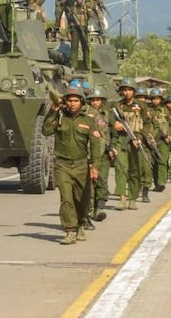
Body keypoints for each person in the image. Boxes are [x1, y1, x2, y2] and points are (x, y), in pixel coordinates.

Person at [42, 87, 101, 245]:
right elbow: (46, 130)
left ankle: (81, 222)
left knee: (82, 199)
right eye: (70, 100)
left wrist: (95, 166)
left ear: (81, 102)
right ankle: (70, 230)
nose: (73, 103)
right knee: (66, 198)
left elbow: (96, 146)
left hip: (82, 165)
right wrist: (53, 111)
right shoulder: (60, 117)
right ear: (65, 102)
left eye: (76, 101)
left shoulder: (89, 120)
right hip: (62, 164)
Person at [111, 79, 152, 210]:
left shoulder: (142, 106)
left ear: (134, 91)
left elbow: (147, 124)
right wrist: (114, 124)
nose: (126, 92)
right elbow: (109, 118)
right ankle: (122, 197)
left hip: (136, 140)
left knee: (135, 170)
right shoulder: (118, 106)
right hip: (121, 141)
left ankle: (132, 198)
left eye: (129, 89)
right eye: (124, 90)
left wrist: (139, 138)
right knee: (121, 168)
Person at [85, 87, 111, 223]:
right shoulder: (87, 113)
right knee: (91, 184)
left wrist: (110, 147)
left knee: (102, 181)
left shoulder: (105, 114)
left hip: (104, 152)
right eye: (93, 100)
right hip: (92, 152)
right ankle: (89, 212)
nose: (95, 103)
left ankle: (99, 209)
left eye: (98, 100)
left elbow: (105, 132)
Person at [67, 0, 91, 71]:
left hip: (84, 28)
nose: (79, 1)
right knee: (74, 47)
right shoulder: (72, 8)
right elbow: (69, 20)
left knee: (86, 47)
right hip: (75, 29)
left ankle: (87, 65)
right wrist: (69, 31)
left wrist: (90, 11)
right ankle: (73, 65)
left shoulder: (86, 8)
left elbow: (90, 17)